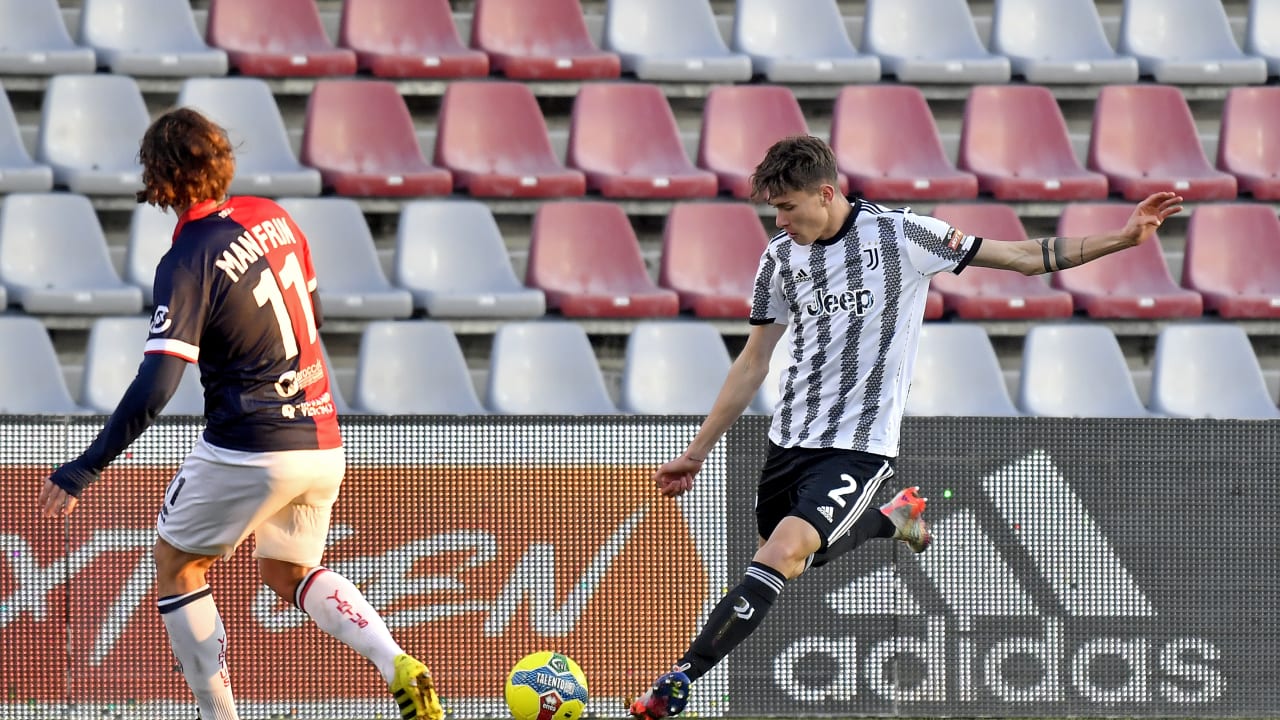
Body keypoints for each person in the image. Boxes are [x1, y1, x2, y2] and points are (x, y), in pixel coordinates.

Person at [628, 135, 1183, 719]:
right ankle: (892, 520)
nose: (782, 220)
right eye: (775, 210)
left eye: (789, 207)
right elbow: (754, 360)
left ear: (825, 193)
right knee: (788, 552)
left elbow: (1019, 257)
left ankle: (679, 681)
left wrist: (1123, 238)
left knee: (785, 553)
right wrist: (697, 451)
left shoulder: (903, 235)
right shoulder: (781, 258)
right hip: (789, 440)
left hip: (860, 446)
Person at [35, 108, 443, 720]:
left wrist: (84, 468)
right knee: (290, 570)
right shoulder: (276, 218)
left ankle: (218, 716)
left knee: (177, 563)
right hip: (322, 438)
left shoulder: (188, 261)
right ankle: (394, 662)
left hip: (251, 443)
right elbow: (315, 315)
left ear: (159, 177)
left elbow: (158, 383)